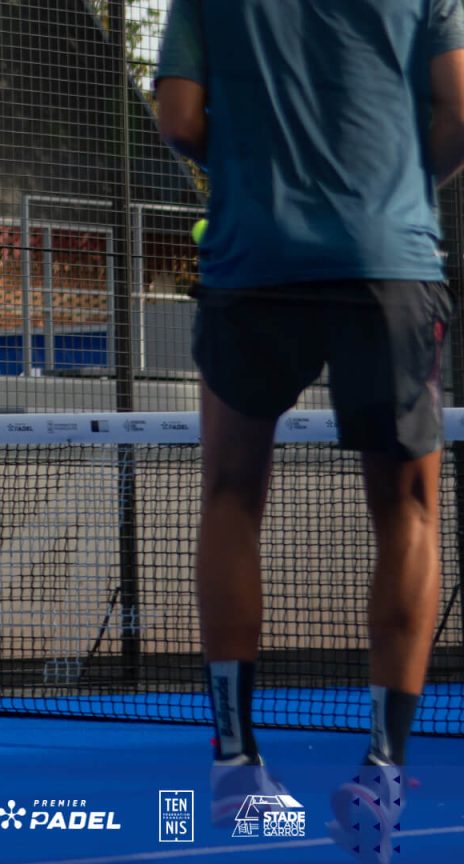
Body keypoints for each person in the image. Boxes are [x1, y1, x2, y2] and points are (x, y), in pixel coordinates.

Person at [156, 2, 464, 860]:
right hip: (387, 259)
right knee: (408, 512)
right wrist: (397, 178)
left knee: (229, 496)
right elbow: (460, 110)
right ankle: (383, 774)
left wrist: (254, 171)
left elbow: (178, 117)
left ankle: (234, 765)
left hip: (252, 260)